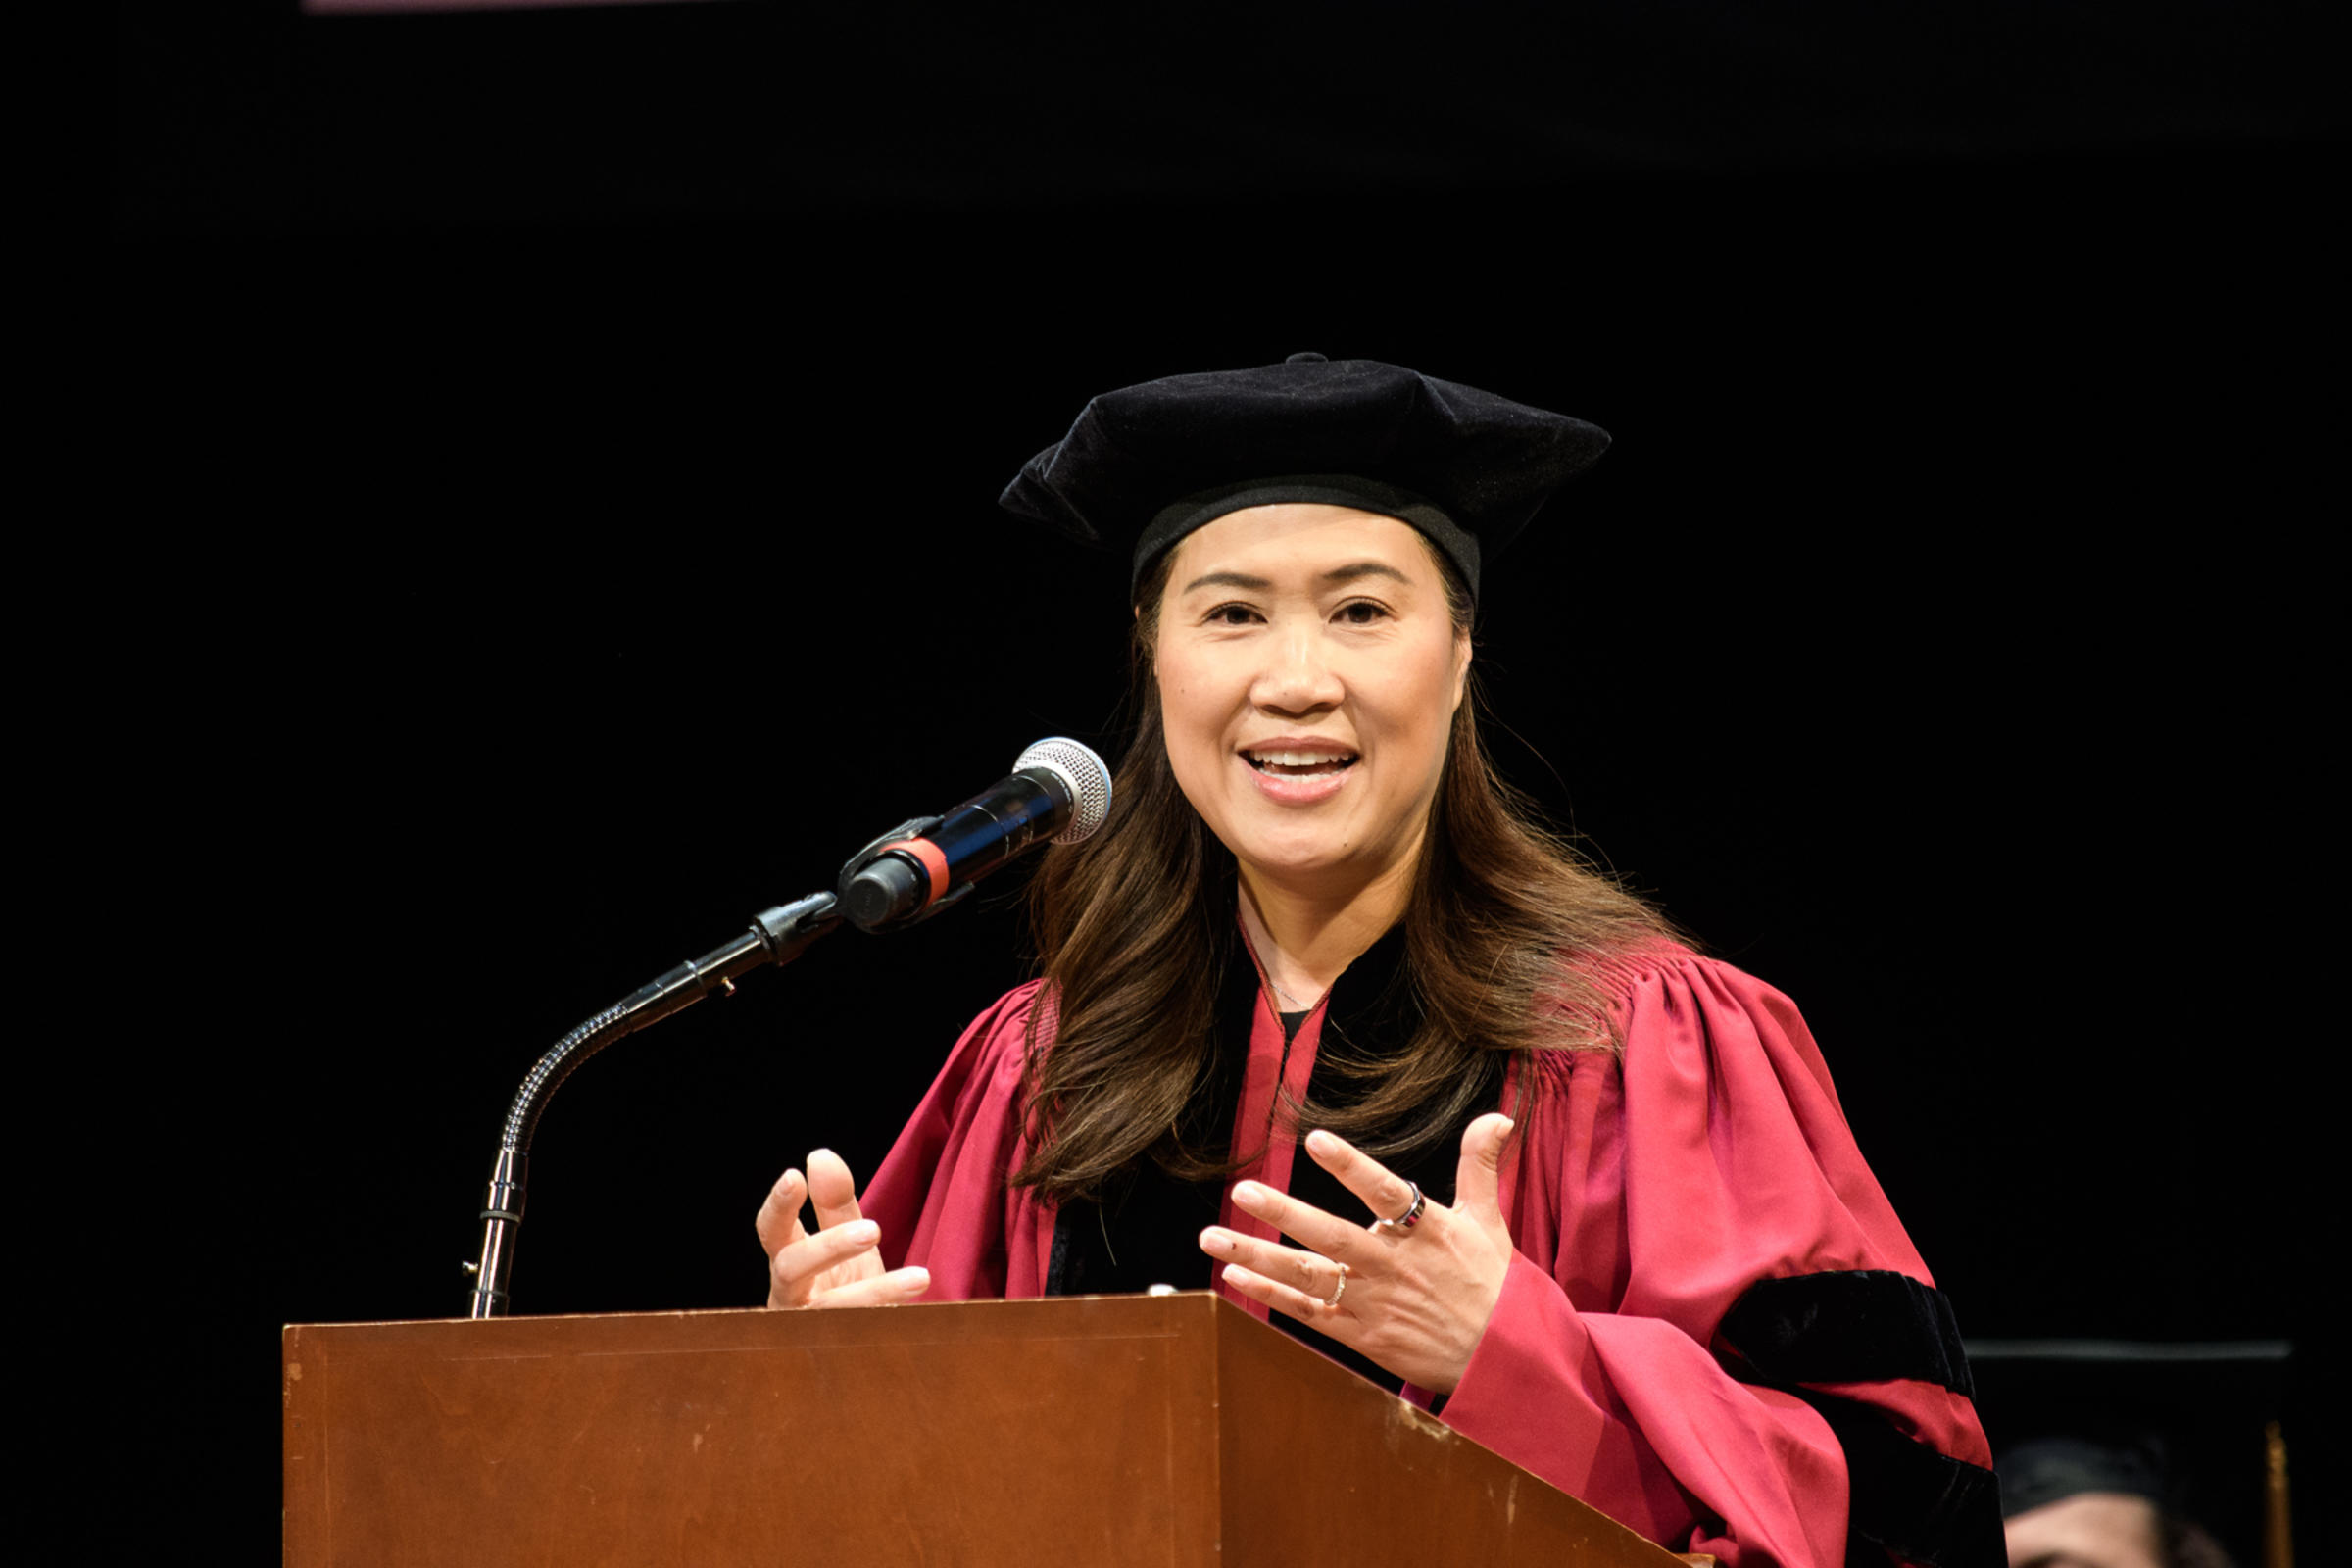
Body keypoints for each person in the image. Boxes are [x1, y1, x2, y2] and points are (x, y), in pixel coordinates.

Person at [754, 354, 2002, 1568]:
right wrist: (840, 1392)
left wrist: (1507, 1355)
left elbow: (1896, 1495)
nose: (1296, 682)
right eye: (1232, 614)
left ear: (1459, 655)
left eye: (1362, 611)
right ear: (1153, 653)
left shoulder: (1646, 1043)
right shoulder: (1043, 1061)